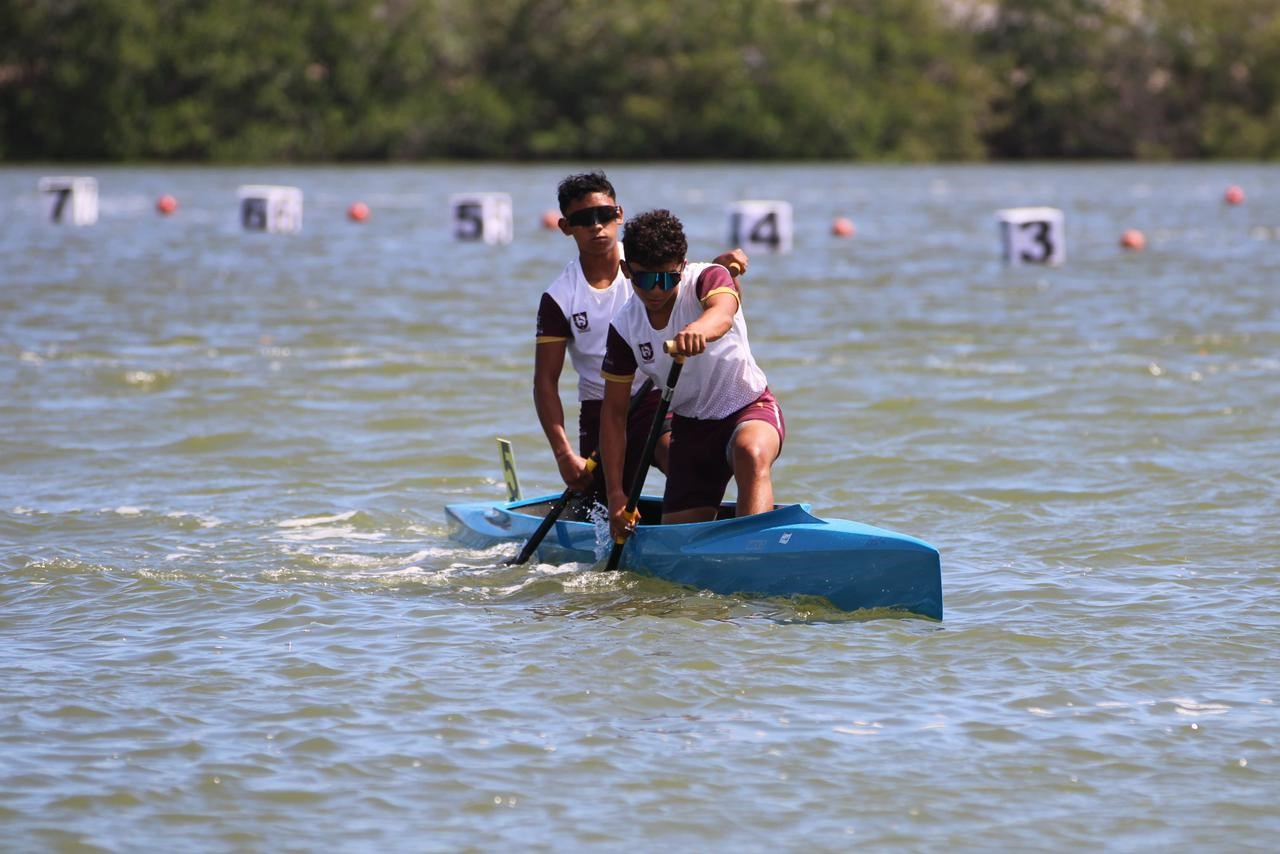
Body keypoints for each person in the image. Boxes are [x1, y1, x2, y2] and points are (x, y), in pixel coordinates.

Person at [533, 171, 746, 509]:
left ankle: (700, 523)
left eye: (604, 215)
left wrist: (723, 269)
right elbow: (545, 382)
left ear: (619, 214)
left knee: (688, 470)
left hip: (657, 398)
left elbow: (691, 277)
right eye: (583, 219)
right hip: (601, 409)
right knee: (603, 513)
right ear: (565, 227)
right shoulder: (560, 297)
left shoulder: (645, 259)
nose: (596, 226)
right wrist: (563, 454)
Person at [599, 208, 784, 541]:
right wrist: (616, 496)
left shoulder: (708, 278)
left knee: (750, 451)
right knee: (680, 544)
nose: (656, 290)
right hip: (692, 432)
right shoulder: (624, 329)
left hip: (748, 407)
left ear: (681, 267)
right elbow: (613, 415)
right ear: (626, 271)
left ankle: (754, 552)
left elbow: (723, 313)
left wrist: (699, 328)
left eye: (667, 278)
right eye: (645, 279)